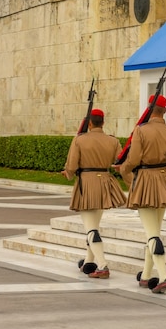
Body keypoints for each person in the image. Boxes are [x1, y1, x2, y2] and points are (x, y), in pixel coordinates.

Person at [115, 94, 166, 294]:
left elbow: (133, 159)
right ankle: (147, 274)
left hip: (147, 182)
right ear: (165, 111)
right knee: (154, 231)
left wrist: (123, 169)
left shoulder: (141, 130)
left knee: (151, 233)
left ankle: (164, 276)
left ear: (149, 109)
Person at [62, 108, 127, 279]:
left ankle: (103, 265)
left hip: (87, 182)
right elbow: (119, 163)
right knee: (94, 226)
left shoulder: (79, 140)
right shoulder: (112, 141)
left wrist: (68, 173)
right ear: (103, 123)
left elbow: (72, 165)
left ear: (89, 123)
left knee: (90, 228)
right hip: (104, 182)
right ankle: (89, 261)